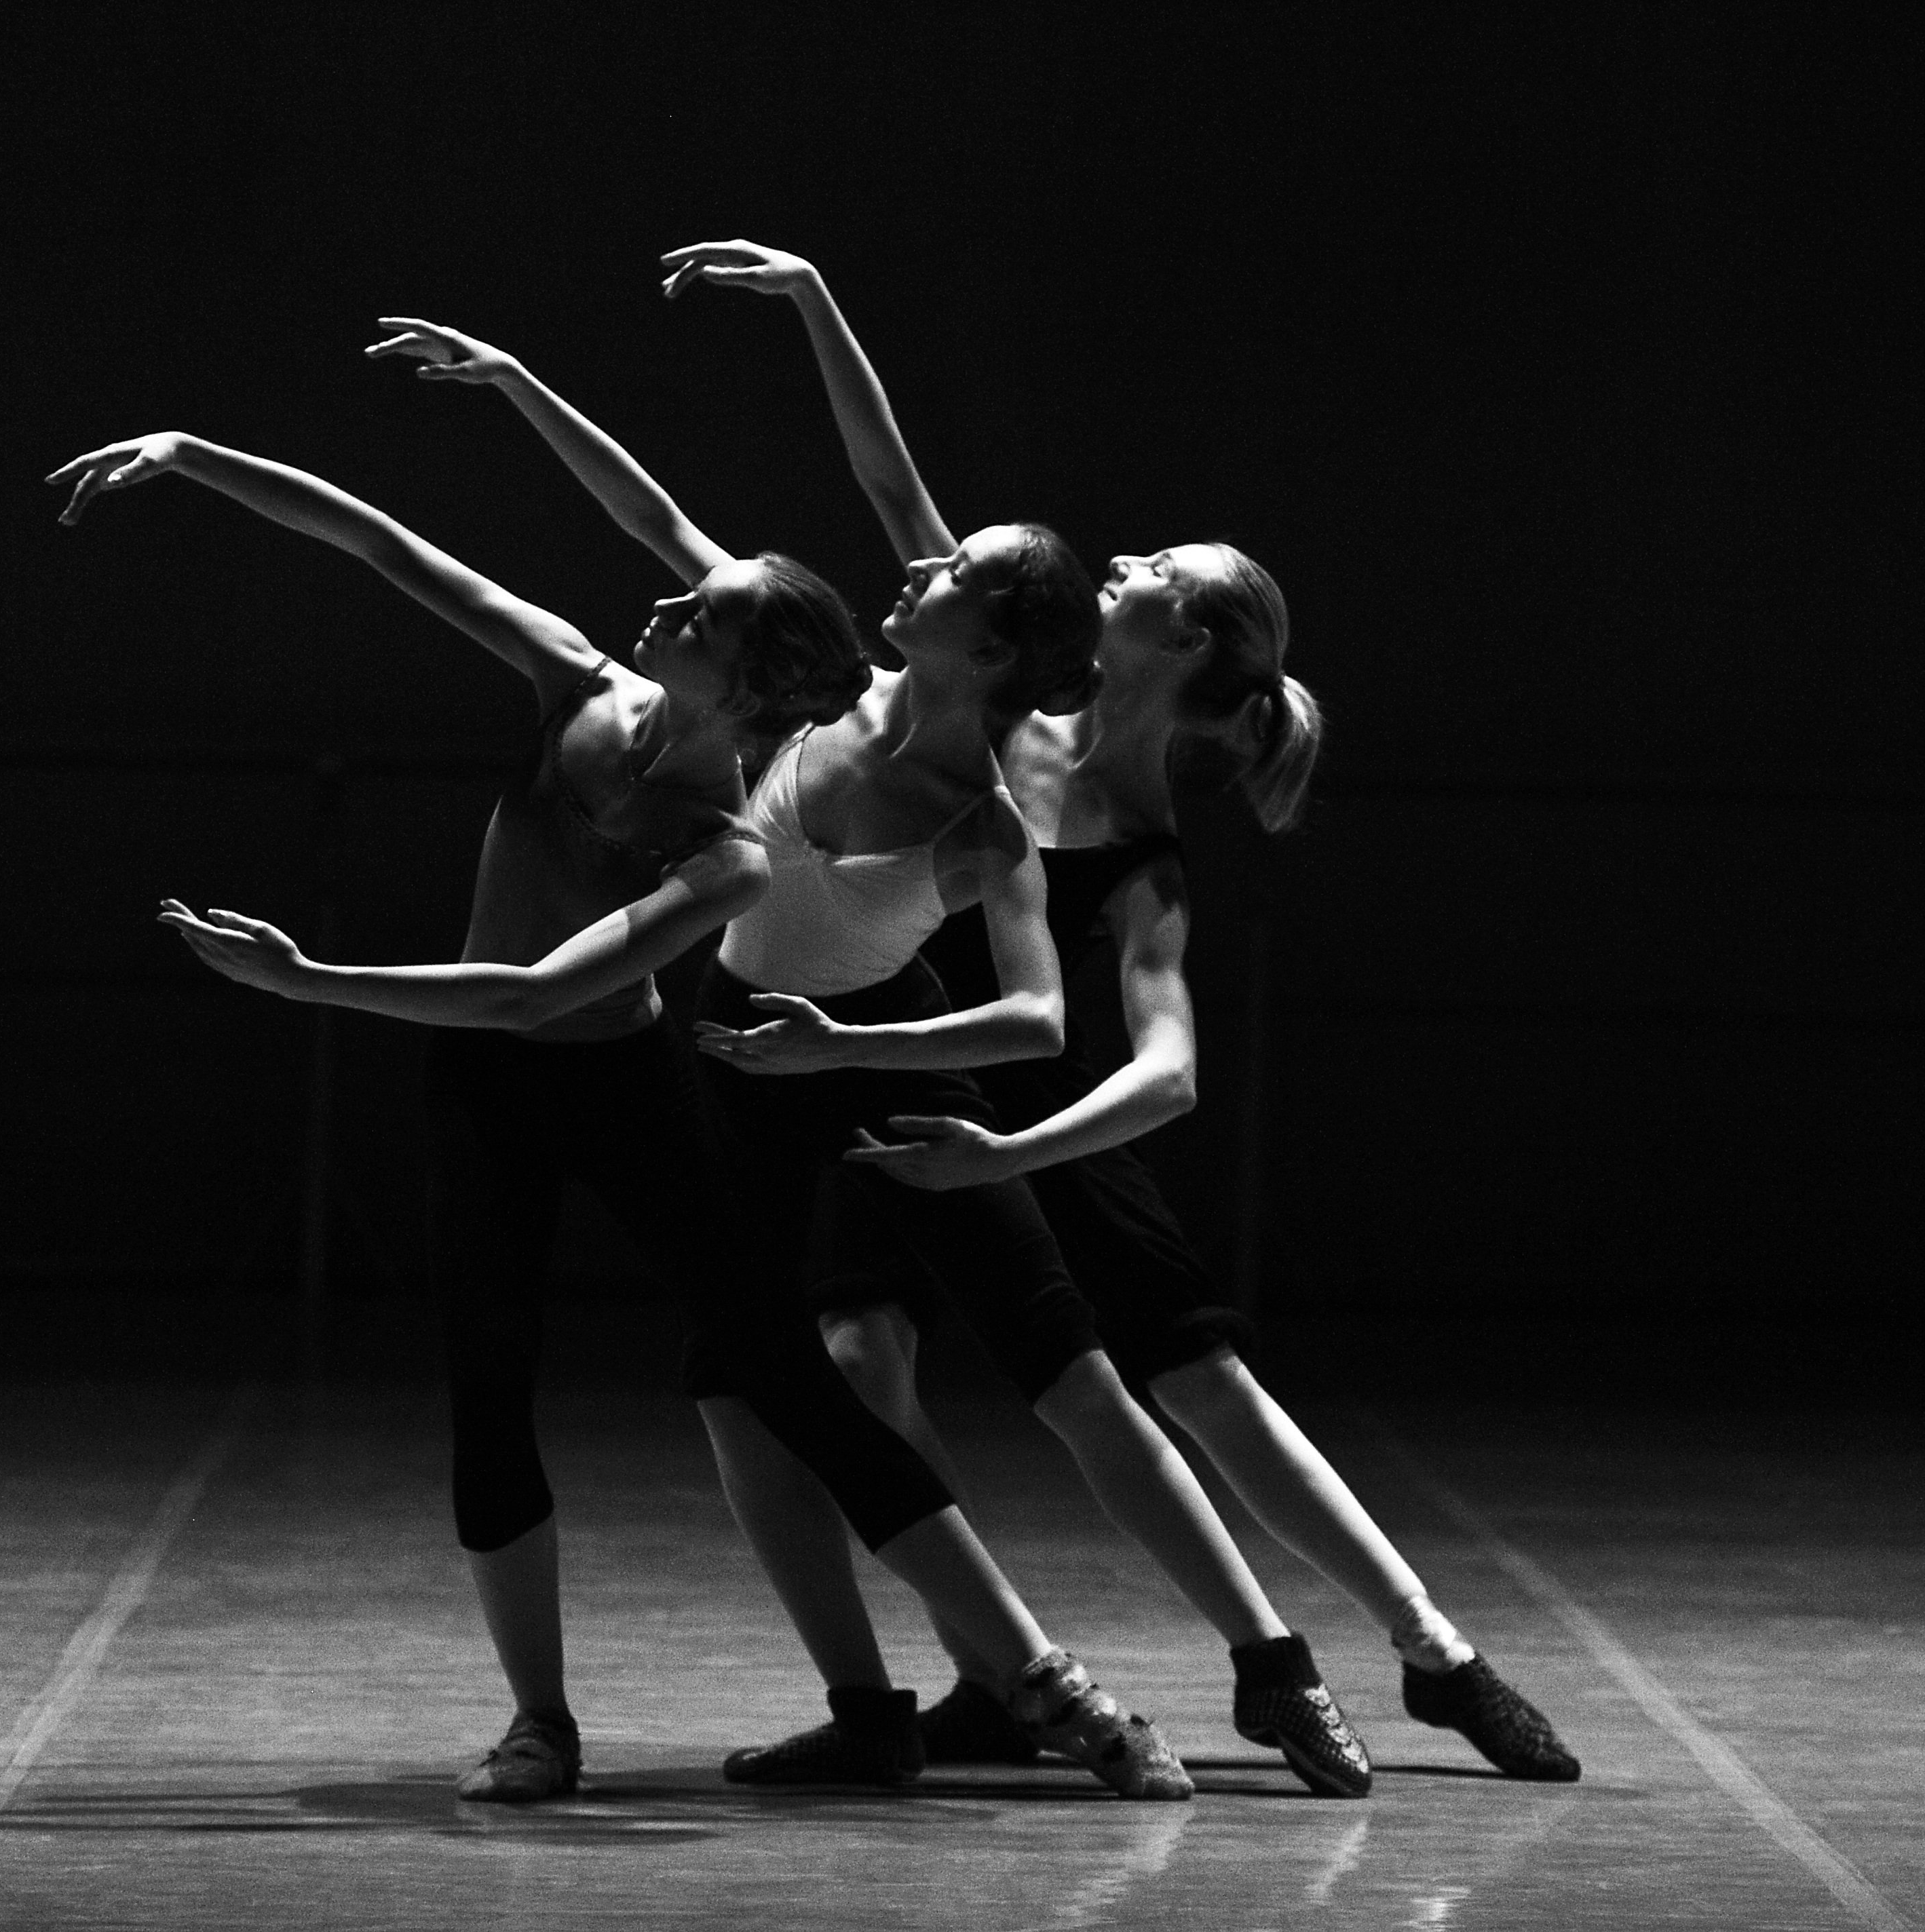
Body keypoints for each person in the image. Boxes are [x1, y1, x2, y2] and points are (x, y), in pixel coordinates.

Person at [50, 320, 1191, 1804]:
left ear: (742, 675)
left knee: (782, 1372)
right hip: (489, 1089)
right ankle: (542, 1717)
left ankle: (1046, 1683)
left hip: (621, 1083)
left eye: (697, 613)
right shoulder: (576, 678)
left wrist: (310, 977)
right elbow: (394, 549)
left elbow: (538, 994)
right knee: (489, 1379)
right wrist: (197, 456)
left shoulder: (724, 850)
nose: (662, 600)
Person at [661, 236, 1582, 1788]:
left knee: (1185, 1380)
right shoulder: (1000, 713)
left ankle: (1424, 1653)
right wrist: (817, 301)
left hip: (1043, 1114)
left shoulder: (1142, 854)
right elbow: (892, 492)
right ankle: (980, 1669)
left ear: (1190, 640)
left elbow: (1161, 1072)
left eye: (1150, 574)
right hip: (912, 1069)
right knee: (856, 1347)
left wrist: (1013, 1145)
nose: (1118, 564)